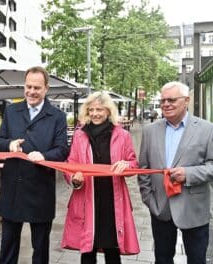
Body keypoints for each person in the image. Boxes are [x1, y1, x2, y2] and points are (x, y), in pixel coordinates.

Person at [138, 81, 213, 264]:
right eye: (163, 100)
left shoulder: (206, 129)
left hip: (193, 208)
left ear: (186, 101)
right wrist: (149, 199)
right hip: (160, 207)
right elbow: (144, 169)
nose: (166, 104)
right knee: (162, 259)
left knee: (196, 259)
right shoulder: (150, 131)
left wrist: (188, 174)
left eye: (171, 100)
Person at [0, 66, 69, 264]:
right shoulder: (11, 111)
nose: (31, 92)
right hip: (13, 190)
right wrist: (9, 144)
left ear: (46, 89)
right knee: (8, 249)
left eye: (37, 87)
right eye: (28, 87)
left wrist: (43, 155)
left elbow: (62, 151)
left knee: (40, 250)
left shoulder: (58, 117)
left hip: (40, 191)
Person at [61, 91, 140, 264]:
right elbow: (70, 164)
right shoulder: (79, 135)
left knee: (113, 250)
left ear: (108, 111)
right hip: (86, 199)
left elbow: (133, 163)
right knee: (88, 251)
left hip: (112, 200)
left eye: (99, 109)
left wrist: (126, 165)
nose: (95, 113)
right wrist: (74, 178)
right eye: (91, 110)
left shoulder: (123, 135)